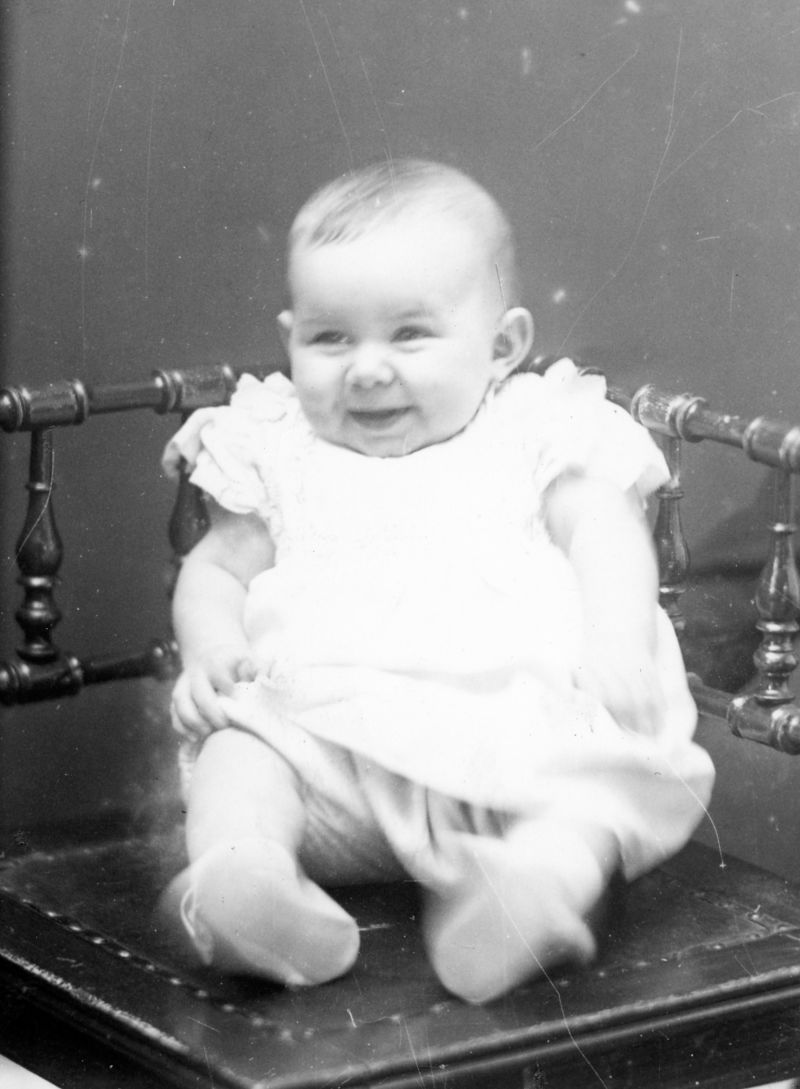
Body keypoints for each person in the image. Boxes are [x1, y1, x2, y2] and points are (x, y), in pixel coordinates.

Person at [159, 158, 714, 1003]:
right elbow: (214, 568)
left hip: (512, 739)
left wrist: (616, 639)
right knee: (240, 755)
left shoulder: (534, 428)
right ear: (290, 337)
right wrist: (212, 648)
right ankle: (250, 881)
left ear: (503, 346)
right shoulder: (278, 443)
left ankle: (530, 890)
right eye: (330, 338)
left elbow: (606, 532)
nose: (366, 369)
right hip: (327, 757)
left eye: (409, 334)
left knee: (595, 785)